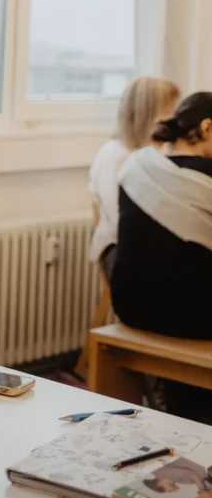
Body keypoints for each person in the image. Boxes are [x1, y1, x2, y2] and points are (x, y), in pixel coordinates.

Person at [112, 91, 212, 423]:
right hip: (196, 319)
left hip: (131, 306)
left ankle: (181, 409)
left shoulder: (137, 166)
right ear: (207, 128)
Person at [87, 77, 180, 282]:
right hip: (121, 252)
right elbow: (125, 222)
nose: (177, 119)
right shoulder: (118, 156)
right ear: (151, 116)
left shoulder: (153, 151)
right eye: (172, 111)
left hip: (138, 245)